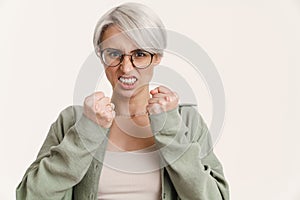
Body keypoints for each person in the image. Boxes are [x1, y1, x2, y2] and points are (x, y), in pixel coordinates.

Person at [16, 2, 229, 200]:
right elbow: (29, 195)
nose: (126, 68)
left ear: (157, 57)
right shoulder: (73, 121)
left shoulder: (186, 121)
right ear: (101, 55)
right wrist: (87, 132)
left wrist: (170, 130)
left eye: (140, 54)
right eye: (114, 53)